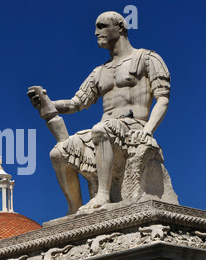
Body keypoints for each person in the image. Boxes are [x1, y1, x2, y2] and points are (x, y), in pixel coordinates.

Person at [27, 11, 171, 215]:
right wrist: (47, 102)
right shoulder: (99, 72)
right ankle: (74, 208)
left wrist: (148, 130)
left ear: (120, 27)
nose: (96, 33)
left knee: (100, 129)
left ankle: (103, 195)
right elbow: (76, 103)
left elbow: (162, 98)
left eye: (101, 26)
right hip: (104, 132)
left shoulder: (146, 58)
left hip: (133, 127)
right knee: (58, 153)